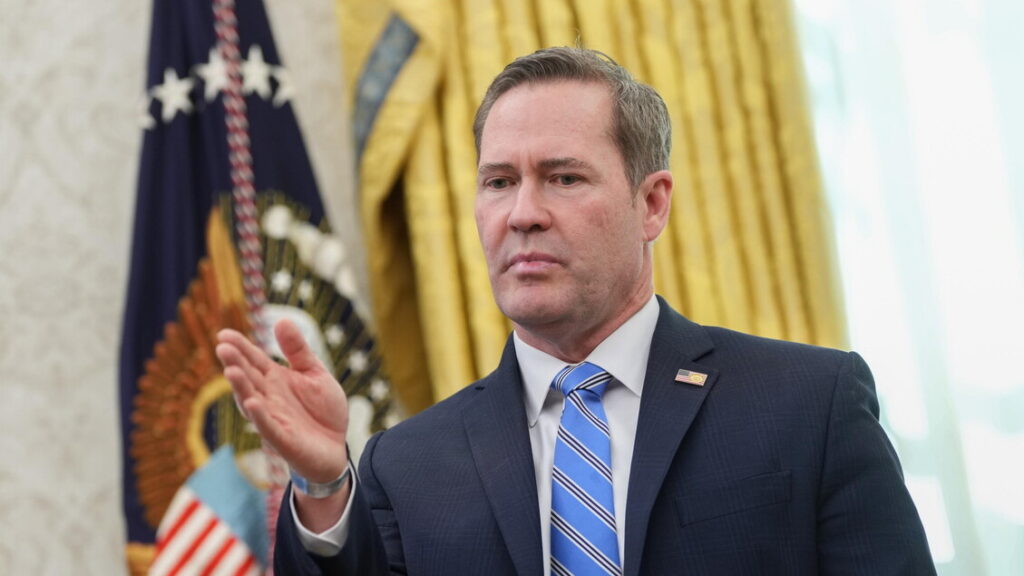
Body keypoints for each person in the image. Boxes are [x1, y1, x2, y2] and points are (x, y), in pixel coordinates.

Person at [216, 47, 936, 575]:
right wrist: (323, 485)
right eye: (499, 182)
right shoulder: (404, 468)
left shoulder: (809, 403)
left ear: (651, 203)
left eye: (562, 178)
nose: (522, 213)